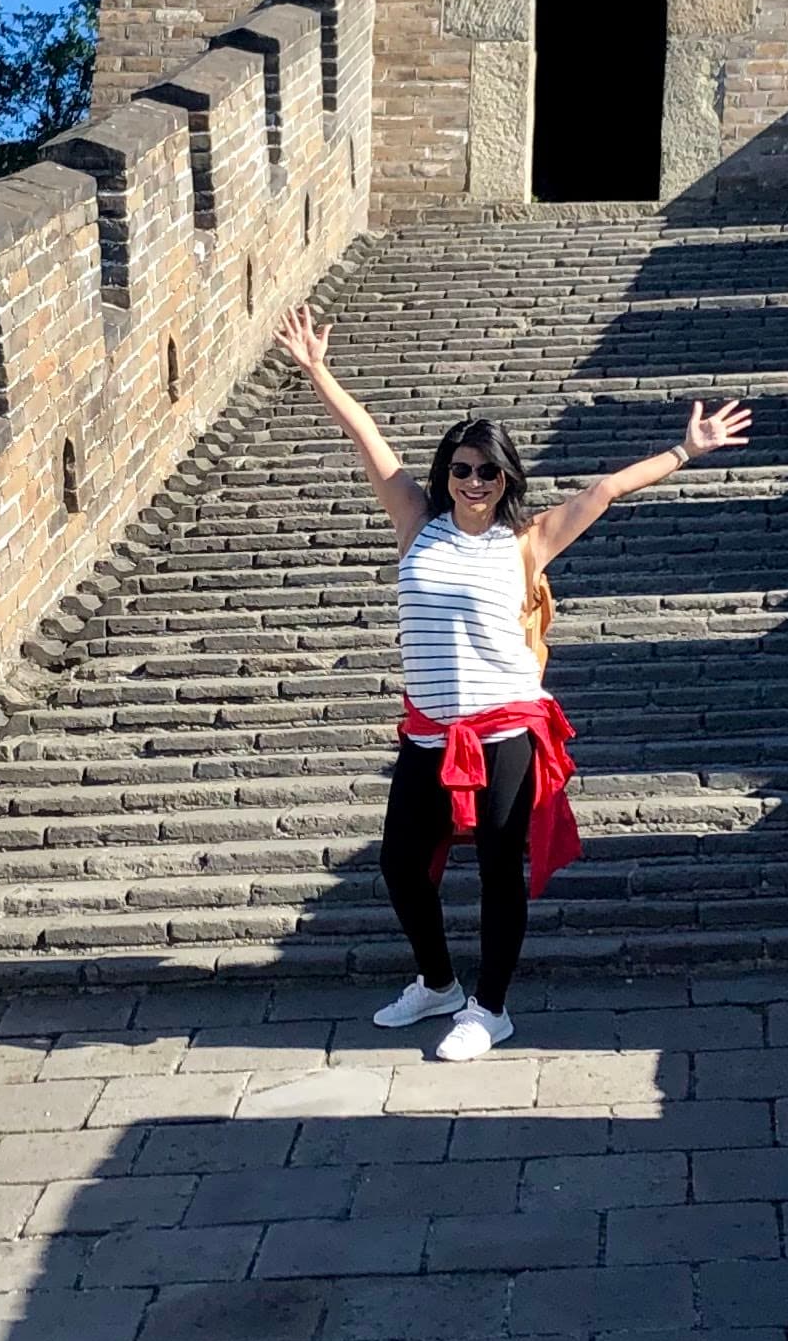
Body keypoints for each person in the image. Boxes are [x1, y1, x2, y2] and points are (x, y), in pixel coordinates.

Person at [276, 303, 752, 1060]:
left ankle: (490, 1008)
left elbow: (603, 491)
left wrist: (684, 450)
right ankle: (438, 984)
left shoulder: (526, 541)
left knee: (499, 868)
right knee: (401, 865)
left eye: (487, 471)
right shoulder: (415, 521)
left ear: (505, 479)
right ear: (446, 474)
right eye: (461, 469)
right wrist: (317, 370)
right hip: (429, 730)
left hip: (503, 727)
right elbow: (368, 439)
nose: (473, 481)